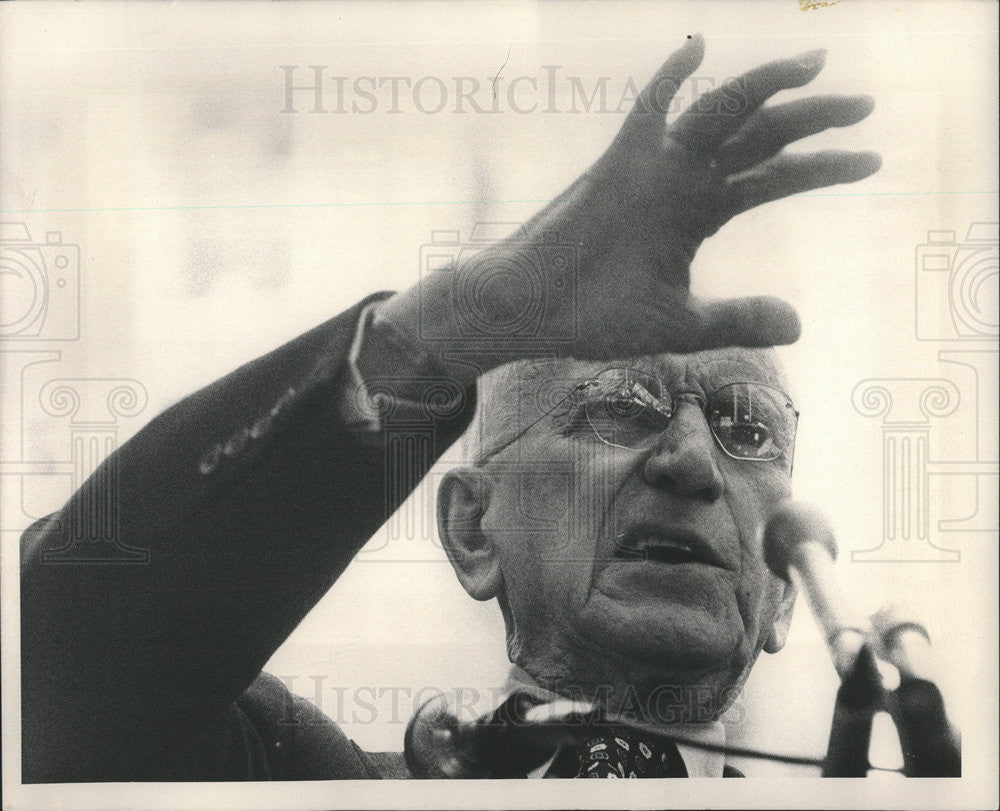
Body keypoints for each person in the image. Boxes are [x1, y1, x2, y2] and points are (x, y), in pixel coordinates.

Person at [20, 35, 880, 782]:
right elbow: (59, 652)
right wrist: (463, 326)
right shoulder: (295, 776)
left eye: (748, 428)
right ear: (472, 528)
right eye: (619, 403)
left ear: (784, 597)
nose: (692, 460)